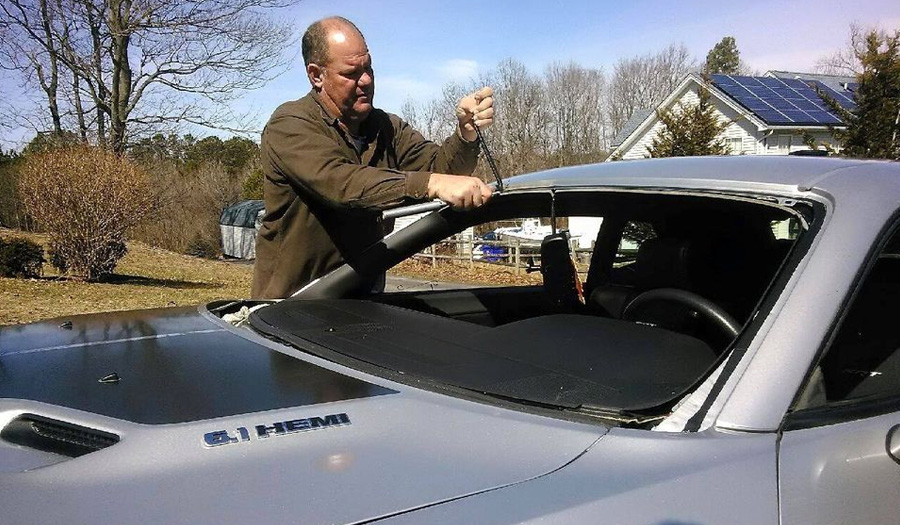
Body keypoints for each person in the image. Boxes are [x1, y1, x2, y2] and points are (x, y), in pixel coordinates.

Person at [251, 16, 494, 299]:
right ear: (316, 75)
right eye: (351, 73)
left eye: (369, 67)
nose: (365, 80)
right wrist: (431, 184)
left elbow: (442, 169)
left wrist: (465, 134)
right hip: (292, 307)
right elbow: (343, 184)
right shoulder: (290, 123)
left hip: (361, 300)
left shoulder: (386, 127)